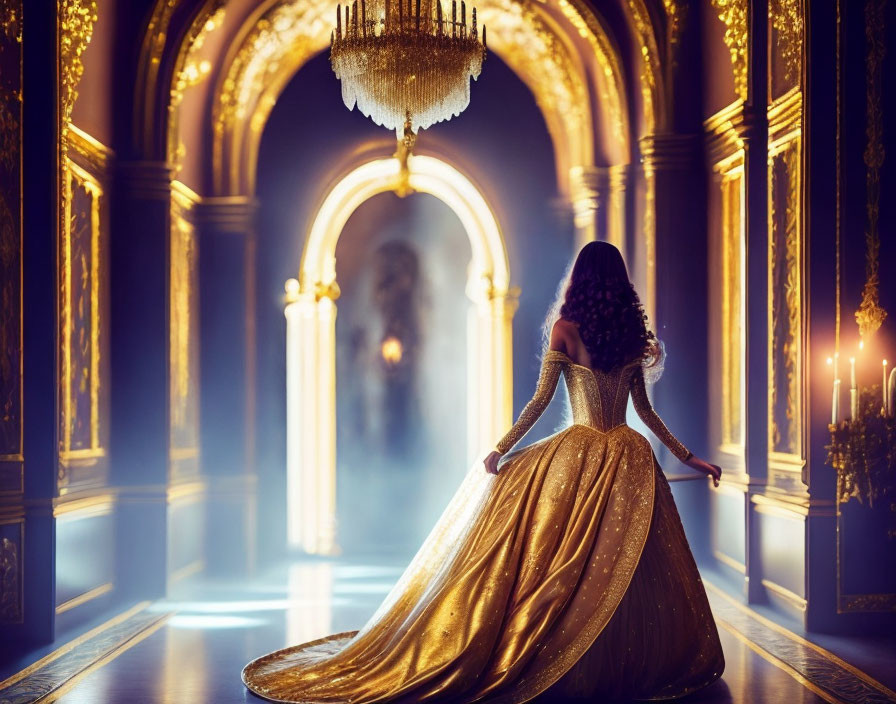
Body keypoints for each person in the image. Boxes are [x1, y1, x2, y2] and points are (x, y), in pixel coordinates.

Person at [243, 241, 725, 703]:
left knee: (570, 563)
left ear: (579, 281)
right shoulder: (628, 335)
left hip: (578, 453)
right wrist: (689, 458)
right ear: (620, 283)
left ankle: (560, 654)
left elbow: (540, 402)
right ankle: (616, 661)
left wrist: (501, 449)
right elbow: (646, 412)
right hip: (627, 454)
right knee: (619, 563)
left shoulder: (566, 329)